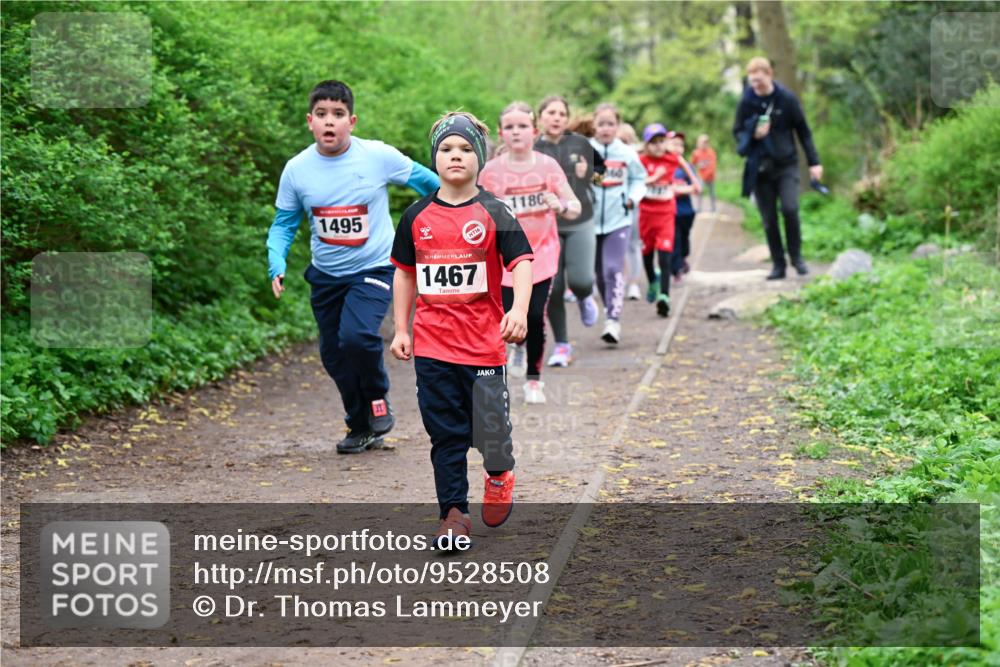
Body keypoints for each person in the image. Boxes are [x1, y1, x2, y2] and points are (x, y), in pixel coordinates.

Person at [267, 80, 438, 455]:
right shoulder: (297, 170)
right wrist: (275, 261)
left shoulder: (376, 157)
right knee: (333, 354)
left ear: (352, 120)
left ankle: (378, 398)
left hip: (375, 268)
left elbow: (427, 181)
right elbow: (284, 224)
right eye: (322, 115)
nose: (330, 122)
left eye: (338, 115)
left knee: (357, 336)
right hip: (326, 276)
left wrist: (455, 207)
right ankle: (359, 425)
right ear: (309, 121)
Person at [389, 111, 533, 549]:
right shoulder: (416, 216)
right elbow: (405, 274)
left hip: (484, 347)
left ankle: (499, 471)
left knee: (490, 434)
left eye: (466, 149)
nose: (456, 156)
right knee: (446, 434)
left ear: (481, 158)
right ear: (434, 158)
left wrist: (520, 310)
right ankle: (454, 514)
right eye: (447, 149)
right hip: (433, 346)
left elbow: (522, 262)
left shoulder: (494, 211)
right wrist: (401, 329)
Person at [480, 102, 581, 404]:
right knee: (510, 318)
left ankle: (534, 381)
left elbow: (574, 206)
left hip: (542, 255)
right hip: (505, 260)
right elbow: (476, 212)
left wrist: (560, 206)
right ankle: (518, 346)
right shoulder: (490, 173)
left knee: (535, 315)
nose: (516, 132)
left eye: (522, 126)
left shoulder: (547, 166)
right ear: (500, 133)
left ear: (534, 131)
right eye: (509, 127)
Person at [733, 56, 823, 280]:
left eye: (760, 81)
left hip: (786, 164)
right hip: (760, 168)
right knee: (769, 219)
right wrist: (753, 134)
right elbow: (737, 132)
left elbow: (803, 130)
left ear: (769, 75)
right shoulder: (746, 102)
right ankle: (778, 264)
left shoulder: (786, 99)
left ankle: (797, 257)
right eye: (753, 82)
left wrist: (814, 162)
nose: (756, 86)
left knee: (790, 209)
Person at [533, 96, 598, 368]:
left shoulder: (580, 144)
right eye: (551, 112)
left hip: (580, 219)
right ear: (540, 118)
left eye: (561, 113)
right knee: (554, 287)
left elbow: (601, 175)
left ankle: (584, 296)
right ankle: (562, 344)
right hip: (547, 226)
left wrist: (588, 173)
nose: (556, 117)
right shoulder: (533, 149)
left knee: (582, 280)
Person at [589, 103, 647, 344]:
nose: (605, 128)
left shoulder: (626, 153)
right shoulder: (585, 151)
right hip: (589, 223)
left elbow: (639, 178)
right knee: (599, 274)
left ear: (617, 126)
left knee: (613, 269)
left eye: (610, 124)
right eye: (601, 124)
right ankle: (608, 311)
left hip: (619, 220)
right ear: (594, 126)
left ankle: (613, 319)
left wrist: (632, 199)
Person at [638, 123, 679, 317]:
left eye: (661, 141)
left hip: (665, 214)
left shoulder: (671, 159)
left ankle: (664, 296)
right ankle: (652, 281)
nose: (658, 146)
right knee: (647, 254)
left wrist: (669, 148)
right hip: (645, 214)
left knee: (664, 255)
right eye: (653, 142)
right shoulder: (639, 160)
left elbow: (682, 159)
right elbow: (637, 181)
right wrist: (655, 177)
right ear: (646, 144)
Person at [618, 122, 646, 302]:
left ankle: (634, 283)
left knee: (633, 244)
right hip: (614, 208)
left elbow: (640, 180)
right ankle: (620, 280)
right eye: (621, 140)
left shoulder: (634, 157)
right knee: (617, 247)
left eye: (627, 141)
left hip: (632, 206)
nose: (624, 144)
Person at [668, 131, 700, 282]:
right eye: (674, 144)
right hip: (670, 212)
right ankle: (676, 269)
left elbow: (697, 187)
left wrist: (679, 190)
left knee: (684, 239)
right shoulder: (665, 165)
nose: (678, 147)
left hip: (686, 211)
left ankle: (683, 258)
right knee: (675, 240)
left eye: (681, 145)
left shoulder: (686, 167)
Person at [691, 134, 718, 213]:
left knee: (712, 193)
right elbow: (692, 164)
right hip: (701, 176)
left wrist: (706, 175)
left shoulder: (711, 152)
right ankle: (699, 208)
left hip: (710, 177)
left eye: (705, 142)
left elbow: (712, 166)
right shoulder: (696, 152)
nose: (703, 144)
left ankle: (713, 208)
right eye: (701, 142)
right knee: (699, 192)